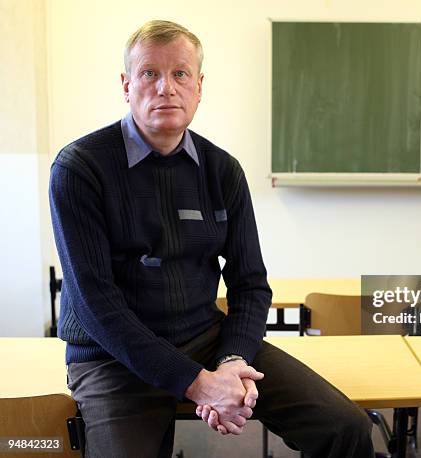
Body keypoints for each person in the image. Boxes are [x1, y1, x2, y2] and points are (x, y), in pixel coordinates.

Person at [49, 19, 374, 458]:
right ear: (126, 85)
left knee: (346, 429)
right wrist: (198, 384)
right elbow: (95, 305)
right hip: (113, 357)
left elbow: (251, 284)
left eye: (180, 74)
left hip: (205, 340)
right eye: (149, 74)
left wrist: (232, 361)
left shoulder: (222, 171)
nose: (166, 87)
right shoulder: (80, 168)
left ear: (199, 87)